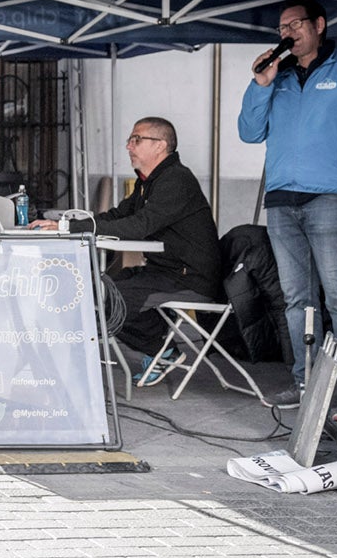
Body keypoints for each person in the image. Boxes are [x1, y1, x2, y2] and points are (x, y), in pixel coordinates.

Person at [239, 0, 337, 407]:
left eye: (295, 25)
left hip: (333, 199)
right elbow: (249, 133)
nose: (288, 34)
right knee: (297, 299)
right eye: (282, 28)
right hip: (282, 201)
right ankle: (308, 387)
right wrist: (259, 84)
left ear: (319, 25)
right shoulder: (277, 79)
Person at [36, 118, 222, 383]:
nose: (128, 146)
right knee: (91, 289)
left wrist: (66, 227)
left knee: (111, 297)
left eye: (137, 139)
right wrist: (66, 225)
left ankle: (163, 351)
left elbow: (139, 225)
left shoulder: (176, 180)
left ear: (160, 146)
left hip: (189, 278)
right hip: (164, 272)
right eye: (130, 140)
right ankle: (160, 348)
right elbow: (117, 216)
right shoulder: (148, 182)